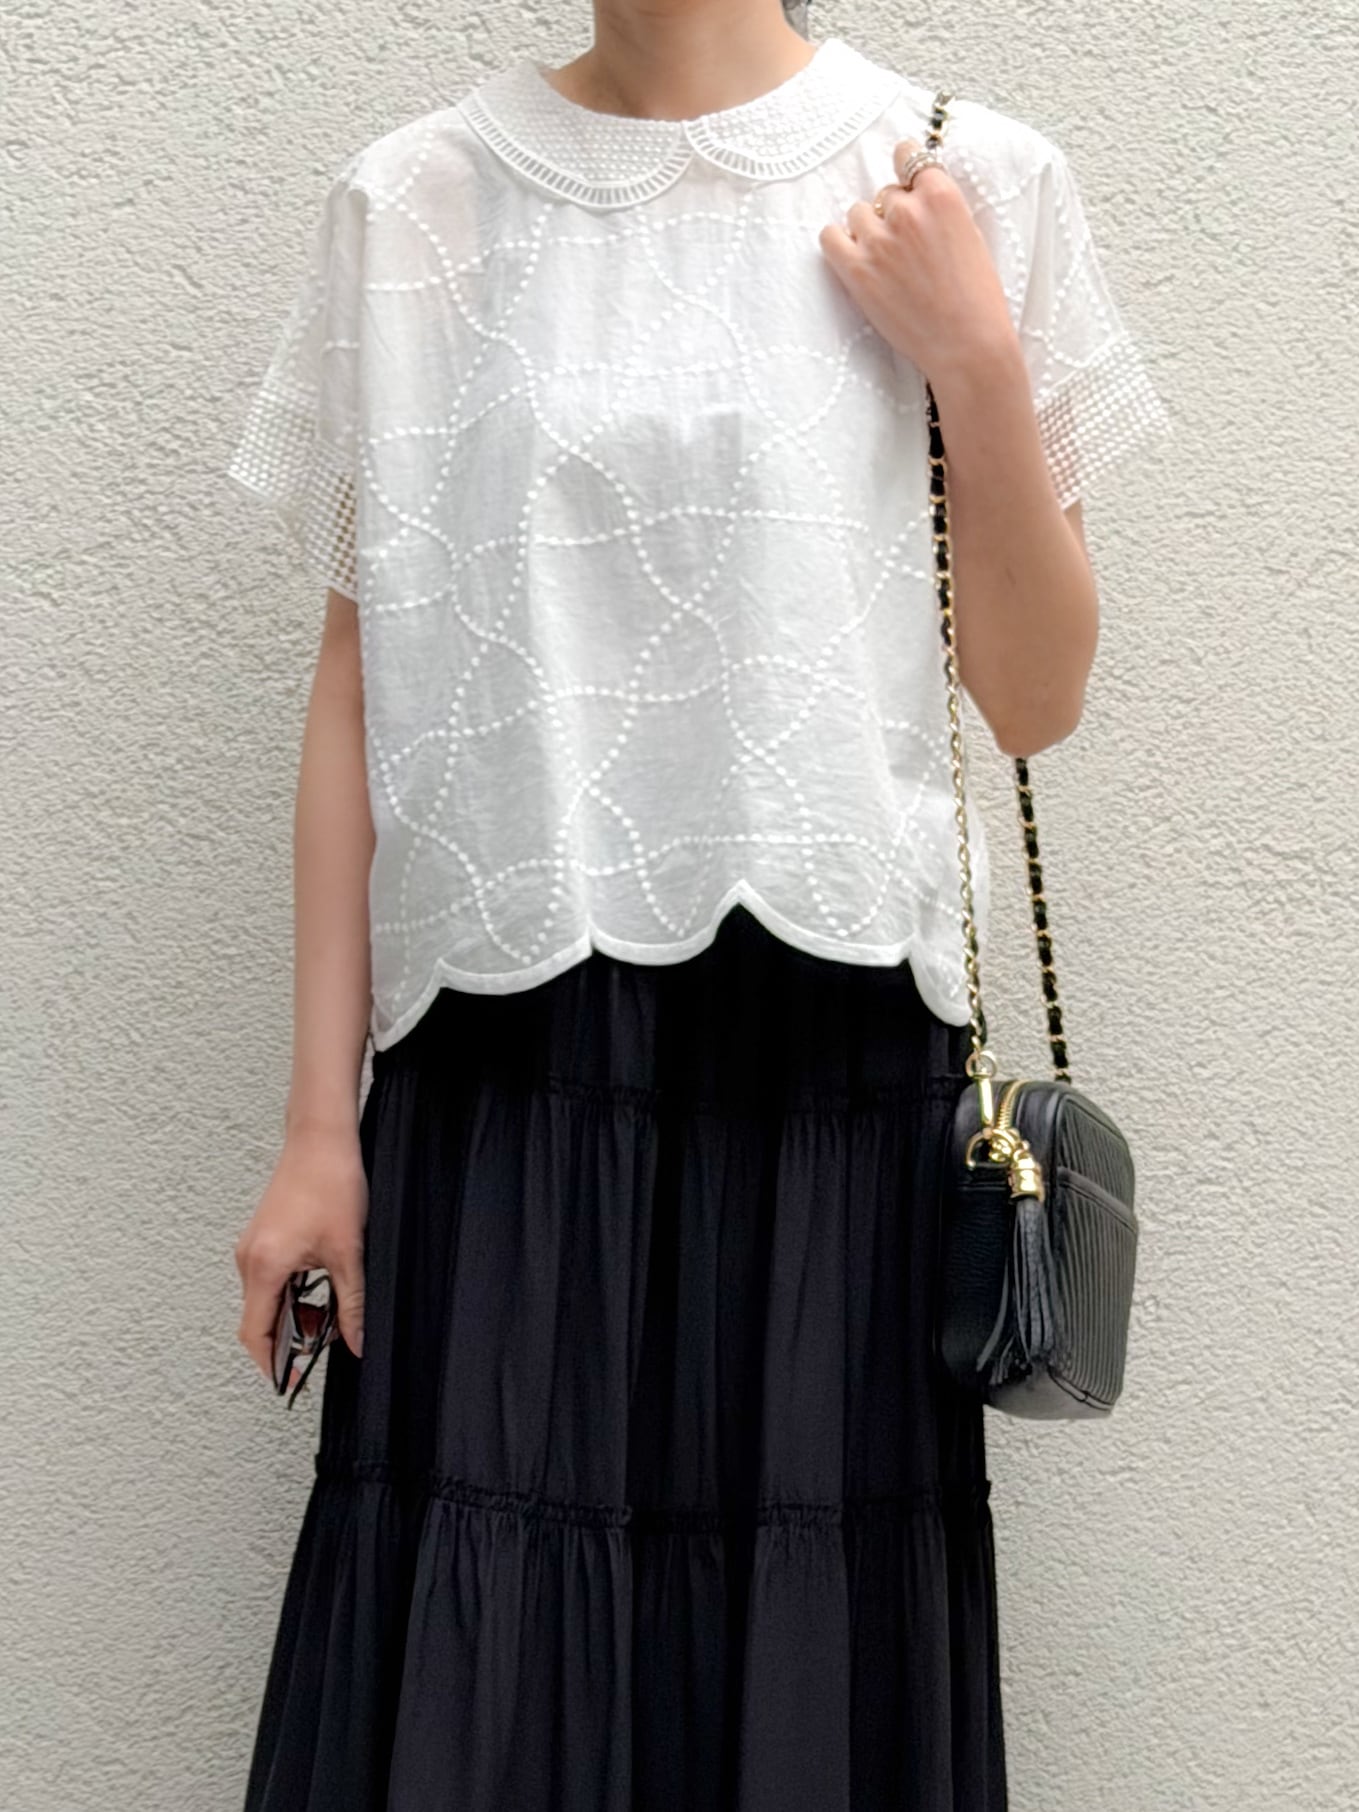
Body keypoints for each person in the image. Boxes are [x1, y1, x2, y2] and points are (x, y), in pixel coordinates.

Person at [225, 1, 1170, 1806]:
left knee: (804, 1681)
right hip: (503, 1072)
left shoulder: (963, 176)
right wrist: (313, 1132)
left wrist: (975, 359)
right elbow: (362, 683)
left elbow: (1037, 696)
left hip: (836, 1077)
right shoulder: (414, 204)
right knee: (487, 1683)